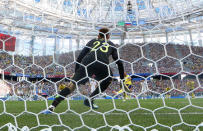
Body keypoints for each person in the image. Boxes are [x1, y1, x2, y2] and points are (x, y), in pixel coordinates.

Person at [42, 28, 125, 114]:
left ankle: (52, 107)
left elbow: (80, 57)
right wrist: (122, 80)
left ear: (98, 36)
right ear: (108, 36)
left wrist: (76, 72)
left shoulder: (93, 41)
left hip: (87, 62)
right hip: (102, 64)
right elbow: (119, 63)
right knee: (108, 79)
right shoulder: (111, 44)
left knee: (71, 86)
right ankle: (90, 99)